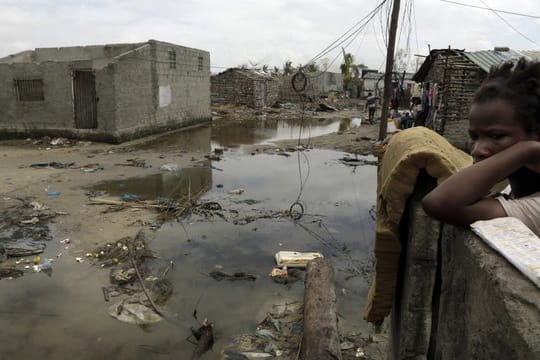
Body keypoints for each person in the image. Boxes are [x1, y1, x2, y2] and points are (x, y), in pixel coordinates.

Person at [422, 58, 540, 237]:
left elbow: (439, 203)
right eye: (474, 137)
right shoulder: (512, 188)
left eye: (496, 136)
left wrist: (528, 149)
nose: (478, 149)